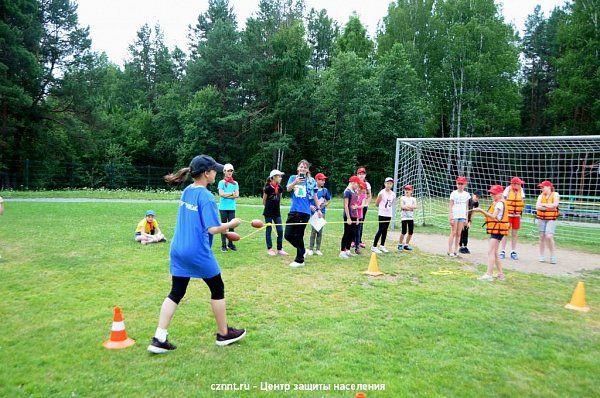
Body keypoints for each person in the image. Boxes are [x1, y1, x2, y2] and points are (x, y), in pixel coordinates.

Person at [148, 155, 245, 354]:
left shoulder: (187, 191)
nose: (216, 173)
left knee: (177, 291)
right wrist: (231, 225)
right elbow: (212, 229)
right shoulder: (207, 197)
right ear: (206, 173)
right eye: (214, 170)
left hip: (178, 249)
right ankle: (224, 334)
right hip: (196, 251)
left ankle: (159, 337)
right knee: (217, 287)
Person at [285, 159, 322, 267]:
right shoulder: (293, 178)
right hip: (293, 210)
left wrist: (318, 209)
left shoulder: (311, 181)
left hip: (305, 212)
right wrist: (295, 182)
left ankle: (299, 260)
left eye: (305, 167)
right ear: (298, 168)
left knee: (298, 235)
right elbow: (288, 189)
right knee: (288, 235)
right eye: (301, 166)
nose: (303, 168)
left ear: (307, 170)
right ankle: (303, 251)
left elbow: (315, 196)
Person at [471, 185, 509, 281]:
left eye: (494, 193)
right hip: (497, 230)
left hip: (498, 230)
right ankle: (500, 274)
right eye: (491, 193)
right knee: (495, 252)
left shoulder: (500, 203)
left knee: (491, 252)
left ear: (500, 194)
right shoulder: (498, 202)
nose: (492, 195)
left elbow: (493, 216)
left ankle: (489, 274)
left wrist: (480, 211)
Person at [263, 169, 288, 256]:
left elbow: (279, 199)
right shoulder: (268, 188)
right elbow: (264, 201)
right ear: (273, 177)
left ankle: (279, 249)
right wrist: (268, 209)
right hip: (268, 213)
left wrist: (276, 207)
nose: (280, 178)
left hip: (277, 213)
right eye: (279, 176)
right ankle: (269, 249)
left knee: (280, 230)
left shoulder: (280, 188)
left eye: (281, 176)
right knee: (269, 230)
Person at [500, 177, 525, 260]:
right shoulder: (508, 189)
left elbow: (522, 201)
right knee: (505, 232)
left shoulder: (521, 190)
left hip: (516, 215)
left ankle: (513, 251)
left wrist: (519, 211)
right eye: (519, 183)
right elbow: (503, 200)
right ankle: (502, 251)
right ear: (514, 184)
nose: (520, 185)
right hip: (508, 215)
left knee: (514, 233)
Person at [536, 180, 560, 264]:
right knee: (542, 236)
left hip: (551, 218)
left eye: (543, 187)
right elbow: (537, 207)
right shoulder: (540, 196)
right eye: (541, 187)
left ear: (549, 187)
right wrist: (548, 207)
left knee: (549, 236)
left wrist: (543, 205)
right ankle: (541, 255)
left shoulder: (555, 194)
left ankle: (553, 255)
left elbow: (555, 204)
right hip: (541, 218)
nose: (542, 189)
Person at [307, 172, 331, 256]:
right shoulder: (312, 190)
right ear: (316, 180)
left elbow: (328, 200)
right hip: (313, 214)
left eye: (324, 180)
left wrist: (325, 204)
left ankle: (318, 249)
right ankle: (310, 249)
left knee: (320, 231)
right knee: (313, 231)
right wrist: (311, 206)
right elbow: (308, 201)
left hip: (322, 213)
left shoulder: (325, 190)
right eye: (321, 180)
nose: (323, 181)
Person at [218, 163, 239, 252]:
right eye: (228, 171)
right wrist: (231, 194)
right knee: (223, 226)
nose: (230, 172)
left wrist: (227, 195)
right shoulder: (221, 182)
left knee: (232, 226)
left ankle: (230, 244)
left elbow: (237, 195)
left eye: (231, 171)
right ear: (224, 172)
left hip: (231, 208)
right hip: (223, 207)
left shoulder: (235, 183)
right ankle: (223, 245)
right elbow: (221, 194)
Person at [448, 176, 471, 257]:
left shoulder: (467, 194)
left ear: (465, 185)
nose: (460, 185)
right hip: (455, 215)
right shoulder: (453, 193)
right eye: (459, 183)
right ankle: (450, 250)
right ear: (456, 184)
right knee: (453, 232)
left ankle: (456, 250)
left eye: (462, 184)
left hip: (462, 216)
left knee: (459, 233)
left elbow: (467, 207)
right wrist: (451, 217)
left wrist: (466, 218)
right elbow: (450, 206)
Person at [372, 177, 395, 254]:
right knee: (381, 229)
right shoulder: (382, 193)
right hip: (382, 214)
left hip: (389, 214)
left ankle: (382, 245)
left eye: (390, 184)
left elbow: (391, 204)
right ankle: (374, 246)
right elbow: (376, 204)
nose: (389, 185)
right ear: (385, 184)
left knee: (385, 230)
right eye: (387, 183)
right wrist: (383, 207)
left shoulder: (393, 194)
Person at [340, 176, 361, 259]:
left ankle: (348, 250)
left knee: (352, 233)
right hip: (348, 216)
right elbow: (346, 205)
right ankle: (342, 251)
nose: (357, 186)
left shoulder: (354, 192)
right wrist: (348, 218)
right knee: (347, 233)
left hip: (354, 216)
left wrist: (357, 217)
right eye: (357, 183)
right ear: (353, 182)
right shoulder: (347, 192)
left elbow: (355, 206)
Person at [459, 190, 482, 254]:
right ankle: (461, 246)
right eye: (476, 196)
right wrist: (463, 220)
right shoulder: (467, 200)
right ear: (473, 195)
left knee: (466, 232)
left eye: (479, 197)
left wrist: (470, 221)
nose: (477, 198)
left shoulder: (476, 203)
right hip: (462, 217)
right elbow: (463, 210)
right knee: (461, 231)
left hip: (468, 218)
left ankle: (465, 246)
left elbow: (473, 213)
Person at [356, 167, 372, 249]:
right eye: (360, 174)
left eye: (363, 174)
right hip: (355, 206)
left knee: (361, 223)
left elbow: (369, 196)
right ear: (357, 174)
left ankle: (359, 241)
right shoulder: (355, 183)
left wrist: (366, 204)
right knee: (354, 222)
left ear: (365, 175)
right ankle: (353, 240)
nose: (361, 175)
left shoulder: (367, 184)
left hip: (363, 206)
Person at [398, 184, 417, 252]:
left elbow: (415, 206)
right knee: (403, 232)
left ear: (412, 191)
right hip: (404, 218)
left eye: (408, 190)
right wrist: (409, 207)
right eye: (406, 189)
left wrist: (407, 207)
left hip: (411, 218)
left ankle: (406, 245)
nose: (407, 191)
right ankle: (400, 244)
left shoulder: (413, 199)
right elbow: (402, 207)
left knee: (411, 232)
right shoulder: (402, 198)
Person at [353, 182, 368, 255]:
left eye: (362, 188)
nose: (360, 189)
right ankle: (347, 247)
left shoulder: (363, 196)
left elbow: (362, 205)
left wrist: (357, 207)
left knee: (358, 232)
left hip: (360, 215)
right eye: (359, 187)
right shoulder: (354, 194)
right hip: (353, 215)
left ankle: (357, 247)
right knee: (351, 231)